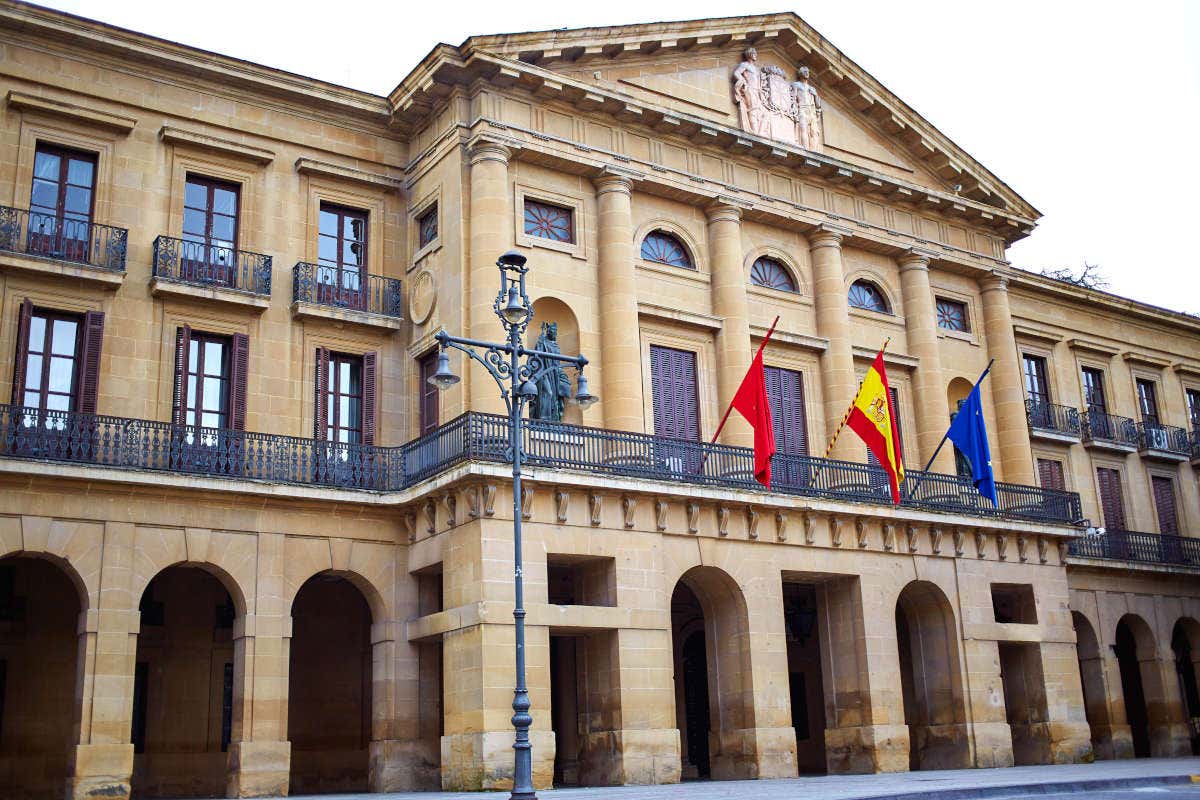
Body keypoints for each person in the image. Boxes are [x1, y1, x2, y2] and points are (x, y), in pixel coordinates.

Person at [531, 322, 572, 422]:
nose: (555, 334)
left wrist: (562, 375)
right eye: (553, 331)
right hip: (544, 373)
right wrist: (540, 342)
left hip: (554, 374)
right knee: (548, 393)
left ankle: (553, 420)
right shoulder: (542, 342)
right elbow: (537, 356)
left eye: (556, 332)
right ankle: (544, 419)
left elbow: (557, 363)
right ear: (549, 332)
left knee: (555, 398)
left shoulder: (556, 346)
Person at [732, 47, 770, 138]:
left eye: (755, 53)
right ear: (749, 54)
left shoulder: (756, 69)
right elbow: (736, 73)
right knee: (753, 109)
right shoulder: (744, 65)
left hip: (757, 91)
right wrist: (743, 81)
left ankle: (760, 133)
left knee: (766, 113)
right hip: (750, 89)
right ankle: (755, 131)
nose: (755, 55)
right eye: (753, 53)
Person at [791, 65, 823, 151]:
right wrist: (794, 112)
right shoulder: (796, 85)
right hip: (802, 110)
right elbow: (793, 98)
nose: (807, 73)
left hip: (811, 112)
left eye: (808, 72)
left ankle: (813, 151)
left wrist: (815, 95)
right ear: (800, 74)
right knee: (803, 129)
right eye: (805, 72)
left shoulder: (812, 89)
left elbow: (818, 105)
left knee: (814, 132)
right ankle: (805, 149)